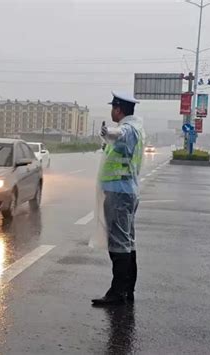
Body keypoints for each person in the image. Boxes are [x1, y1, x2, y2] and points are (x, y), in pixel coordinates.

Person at [91, 91, 145, 306]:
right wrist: (107, 138)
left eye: (113, 108)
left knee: (120, 242)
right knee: (128, 241)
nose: (111, 112)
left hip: (120, 193)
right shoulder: (137, 127)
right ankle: (127, 288)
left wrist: (109, 132)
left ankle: (117, 292)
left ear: (118, 109)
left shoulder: (129, 128)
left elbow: (120, 133)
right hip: (125, 191)